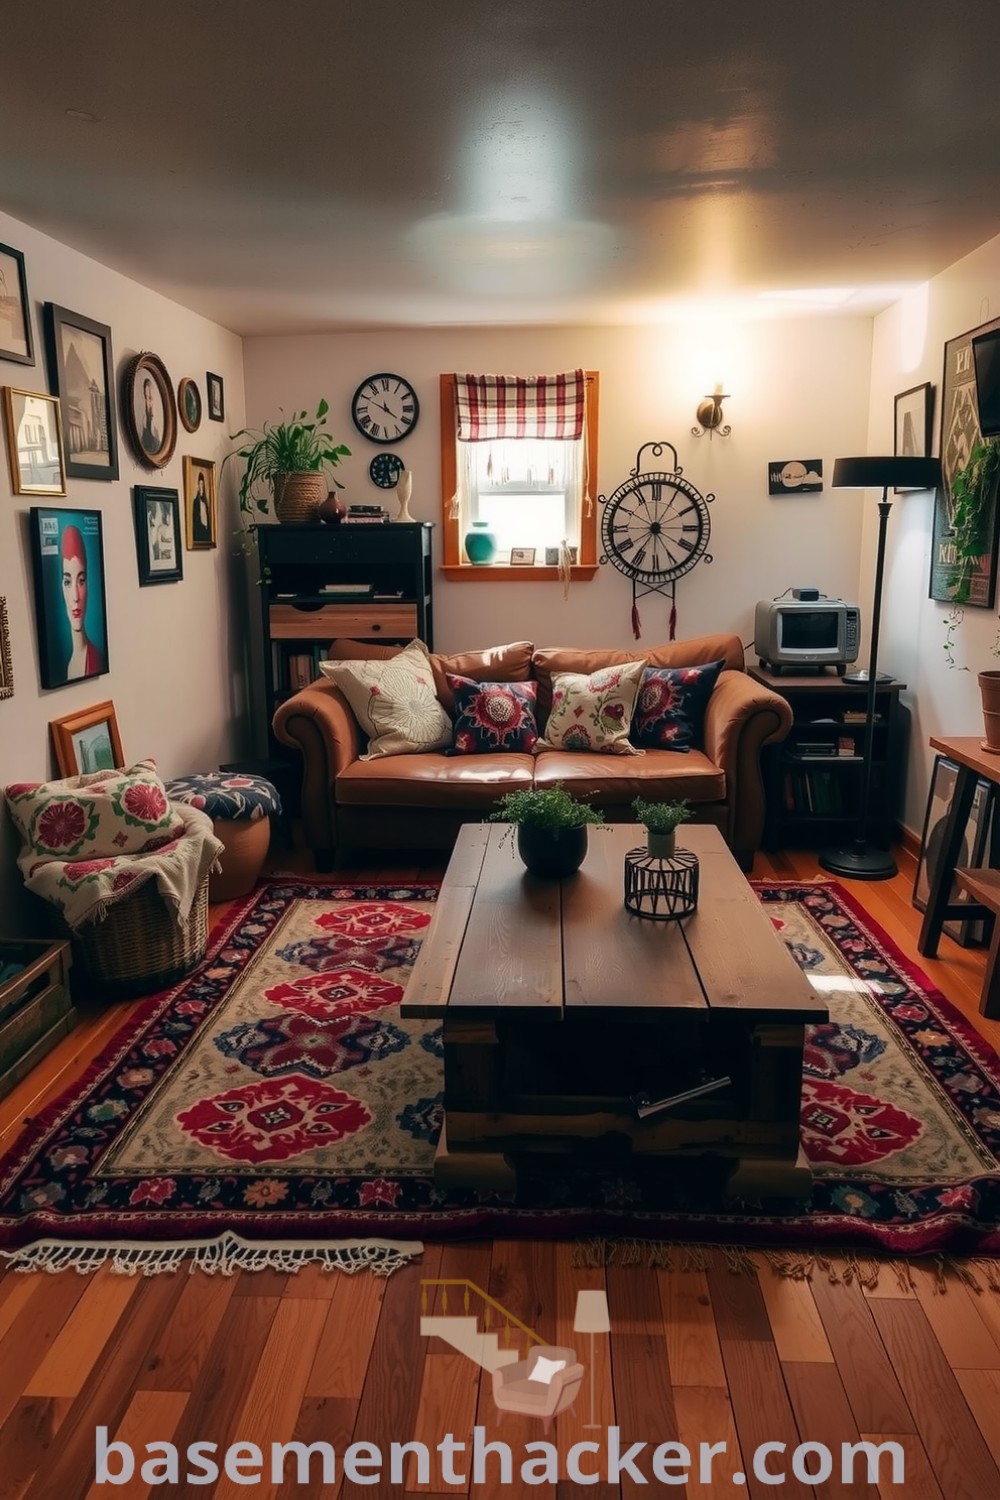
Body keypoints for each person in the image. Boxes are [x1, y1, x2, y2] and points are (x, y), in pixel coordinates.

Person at [60, 523, 105, 681]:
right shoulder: (70, 666)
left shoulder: (97, 659)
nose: (75, 597)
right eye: (67, 582)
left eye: (81, 581)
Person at [140, 377, 160, 454]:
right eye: (146, 398)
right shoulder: (143, 421)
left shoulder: (158, 425)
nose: (148, 403)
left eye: (150, 398)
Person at [191, 470, 211, 543]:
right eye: (199, 484)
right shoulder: (195, 502)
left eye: (202, 484)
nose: (201, 486)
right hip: (200, 529)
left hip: (206, 529)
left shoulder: (205, 502)